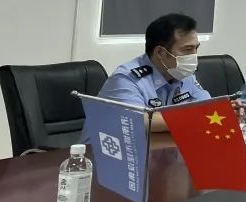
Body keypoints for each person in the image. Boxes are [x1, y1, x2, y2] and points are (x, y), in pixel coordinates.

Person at [98, 13, 234, 132]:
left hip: (167, 149)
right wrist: (196, 117)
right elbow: (136, 122)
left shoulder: (183, 74)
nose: (194, 56)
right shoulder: (126, 79)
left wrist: (227, 111)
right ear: (160, 52)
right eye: (187, 49)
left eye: (196, 48)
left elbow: (208, 109)